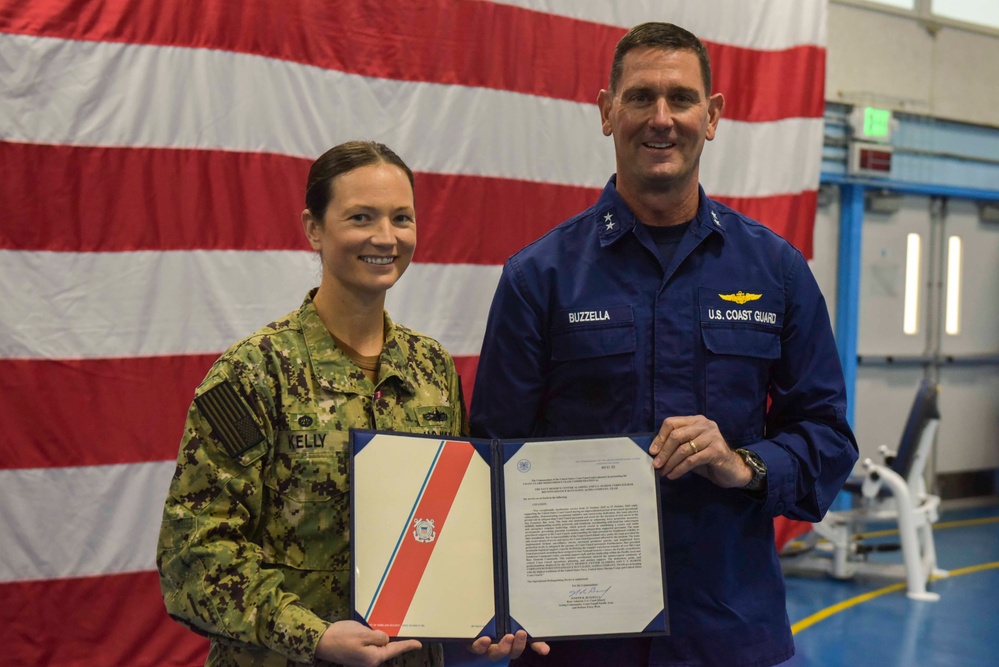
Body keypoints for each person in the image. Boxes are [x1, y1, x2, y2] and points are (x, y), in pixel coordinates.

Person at [470, 23, 859, 667]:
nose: (661, 119)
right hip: (574, 639)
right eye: (640, 97)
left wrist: (743, 463)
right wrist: (499, 603)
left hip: (726, 631)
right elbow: (490, 460)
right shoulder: (538, 277)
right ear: (606, 112)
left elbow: (826, 434)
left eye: (680, 99)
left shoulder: (777, 272)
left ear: (711, 118)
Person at [157, 141, 532, 667]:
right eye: (361, 217)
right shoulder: (254, 372)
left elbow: (450, 527)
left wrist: (490, 615)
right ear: (314, 228)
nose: (385, 237)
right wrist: (312, 636)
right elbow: (192, 556)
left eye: (402, 218)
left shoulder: (433, 370)